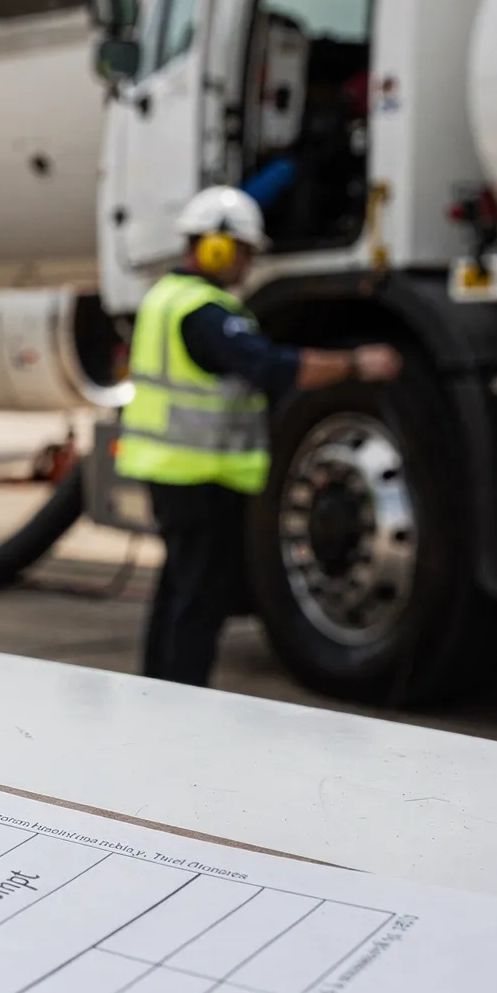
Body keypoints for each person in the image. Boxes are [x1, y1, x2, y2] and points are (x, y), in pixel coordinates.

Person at [117, 186, 403, 687]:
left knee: (177, 592)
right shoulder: (205, 312)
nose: (247, 267)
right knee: (198, 604)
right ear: (216, 247)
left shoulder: (165, 298)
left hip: (171, 473)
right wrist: (357, 363)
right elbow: (272, 368)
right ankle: (179, 700)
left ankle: (156, 689)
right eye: (243, 253)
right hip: (201, 476)